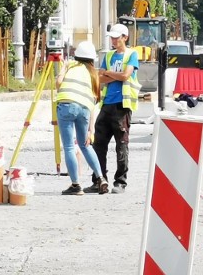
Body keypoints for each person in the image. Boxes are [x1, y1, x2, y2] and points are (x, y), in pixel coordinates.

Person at [85, 23, 140, 195]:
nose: (114, 40)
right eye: (112, 37)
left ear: (125, 37)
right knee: (98, 144)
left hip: (122, 106)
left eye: (117, 37)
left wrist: (109, 74)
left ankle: (120, 182)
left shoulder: (132, 54)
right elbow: (99, 79)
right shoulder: (108, 56)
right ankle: (99, 180)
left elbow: (126, 75)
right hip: (107, 104)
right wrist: (112, 75)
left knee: (121, 145)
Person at [55, 41, 109, 195]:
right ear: (92, 59)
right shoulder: (93, 75)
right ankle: (100, 178)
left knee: (69, 147)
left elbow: (58, 84)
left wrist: (63, 68)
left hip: (66, 105)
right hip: (85, 110)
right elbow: (93, 102)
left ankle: (75, 185)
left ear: (76, 55)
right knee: (85, 145)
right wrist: (91, 129)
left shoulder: (71, 66)